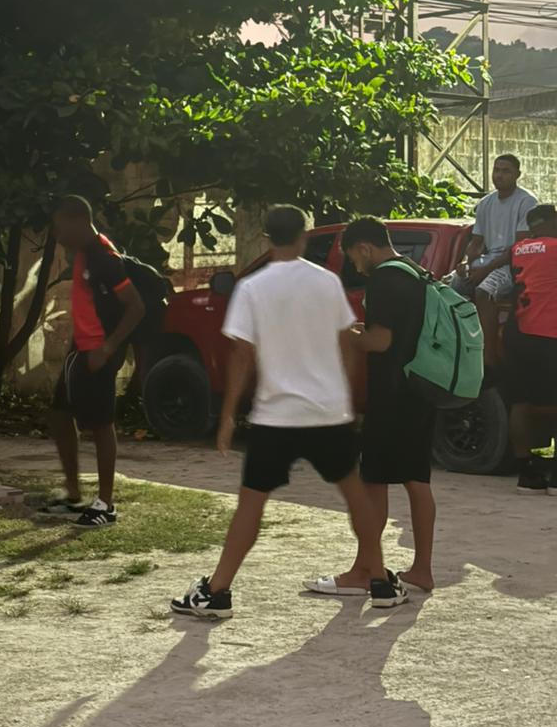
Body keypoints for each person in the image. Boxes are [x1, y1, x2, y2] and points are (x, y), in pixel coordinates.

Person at [171, 206, 406, 618]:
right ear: (302, 238)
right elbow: (347, 344)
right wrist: (349, 400)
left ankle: (218, 591)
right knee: (356, 499)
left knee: (251, 506)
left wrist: (227, 415)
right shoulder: (327, 282)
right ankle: (381, 583)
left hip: (275, 415)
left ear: (267, 238)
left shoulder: (252, 288)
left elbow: (242, 356)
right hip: (328, 412)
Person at [327, 217, 438, 595]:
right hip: (421, 389)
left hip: (392, 395)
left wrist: (348, 334)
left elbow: (380, 342)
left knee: (373, 480)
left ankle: (365, 568)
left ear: (364, 248)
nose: (357, 267)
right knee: (417, 480)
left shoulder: (384, 280)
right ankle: (421, 569)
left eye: (355, 260)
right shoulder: (417, 273)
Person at [43, 196, 146, 528]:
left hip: (99, 352)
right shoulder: (85, 253)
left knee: (101, 425)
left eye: (60, 229)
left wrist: (108, 348)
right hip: (81, 349)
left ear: (76, 221)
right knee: (59, 414)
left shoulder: (104, 258)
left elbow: (136, 306)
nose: (58, 236)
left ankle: (106, 504)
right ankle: (73, 493)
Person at [453, 154, 536, 368]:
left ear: (517, 174)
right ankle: (456, 346)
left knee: (484, 291)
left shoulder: (527, 202)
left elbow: (518, 248)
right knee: (448, 287)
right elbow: (476, 242)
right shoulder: (485, 203)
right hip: (486, 261)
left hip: (511, 264)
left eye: (505, 170)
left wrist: (485, 270)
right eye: (496, 169)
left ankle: (489, 356)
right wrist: (465, 263)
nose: (499, 175)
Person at [504, 202, 557, 494]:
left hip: (519, 334)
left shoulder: (519, 249)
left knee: (520, 403)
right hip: (550, 333)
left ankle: (526, 474)